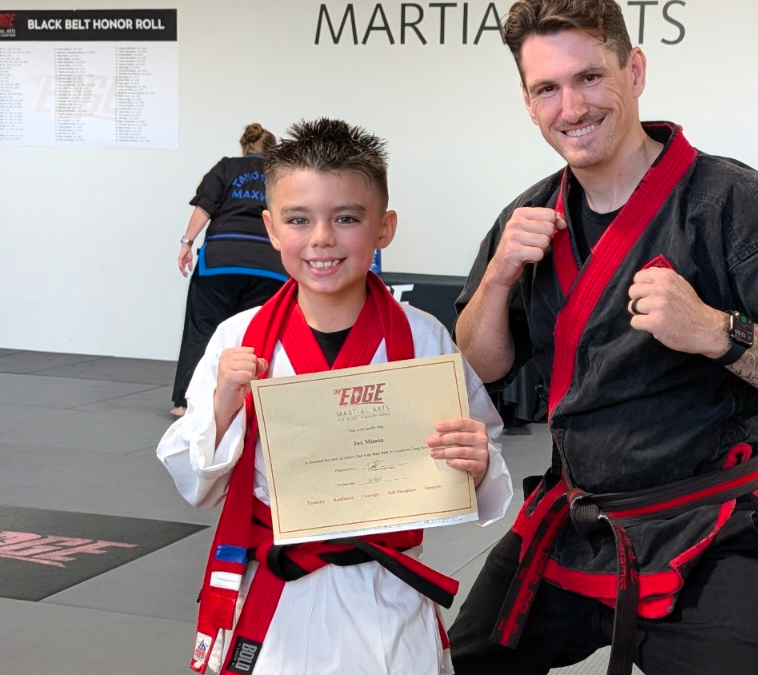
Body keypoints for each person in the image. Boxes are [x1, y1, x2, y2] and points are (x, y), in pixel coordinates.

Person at [447, 3, 758, 675]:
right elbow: (480, 364)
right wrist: (499, 276)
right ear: (528, 103)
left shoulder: (730, 202)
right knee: (464, 662)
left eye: (590, 77)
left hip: (705, 525)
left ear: (635, 70)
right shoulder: (528, 217)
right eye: (547, 88)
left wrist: (716, 332)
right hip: (576, 518)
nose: (571, 107)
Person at [157, 119, 514, 675]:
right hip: (274, 593)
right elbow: (197, 485)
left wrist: (478, 460)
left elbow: (480, 452)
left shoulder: (423, 338)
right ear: (271, 228)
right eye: (299, 219)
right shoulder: (239, 338)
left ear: (384, 228)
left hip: (383, 594)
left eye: (346, 218)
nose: (321, 238)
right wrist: (225, 404)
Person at [171, 124, 288, 417]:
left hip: (221, 262)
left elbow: (205, 207)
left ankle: (185, 404)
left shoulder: (226, 167)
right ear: (271, 150)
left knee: (202, 331)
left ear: (244, 147)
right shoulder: (280, 174)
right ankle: (256, 405)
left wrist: (187, 242)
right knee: (258, 335)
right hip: (269, 265)